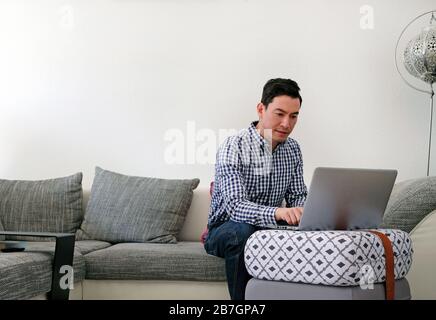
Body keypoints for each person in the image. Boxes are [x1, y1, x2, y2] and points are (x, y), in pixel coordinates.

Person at [203, 78, 308, 300]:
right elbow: (236, 207)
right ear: (261, 109)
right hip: (225, 229)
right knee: (243, 231)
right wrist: (278, 213)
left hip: (267, 228)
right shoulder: (234, 147)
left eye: (294, 116)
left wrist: (308, 212)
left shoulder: (293, 149)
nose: (287, 124)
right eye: (279, 114)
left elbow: (298, 195)